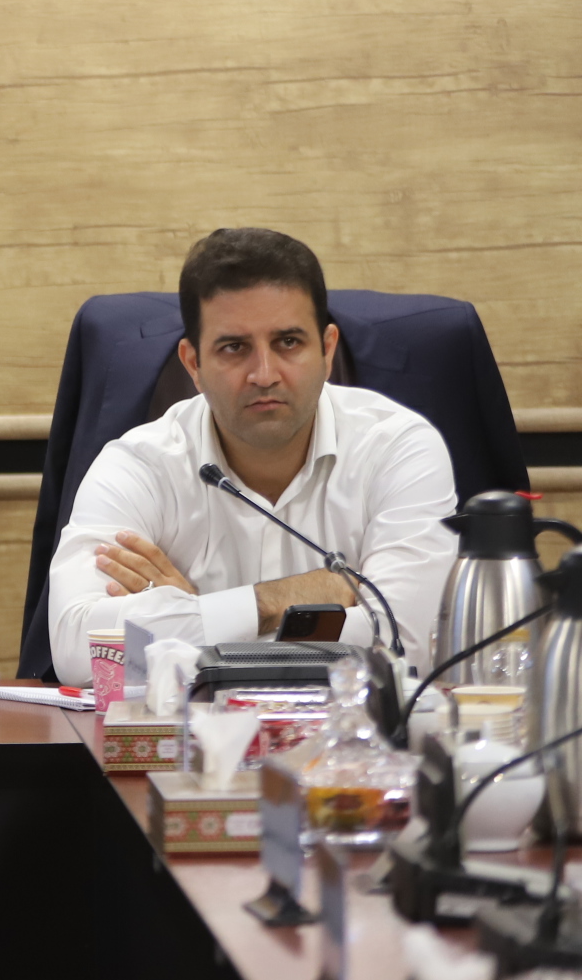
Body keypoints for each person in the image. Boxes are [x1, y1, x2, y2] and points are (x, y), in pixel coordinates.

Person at [43, 228, 456, 684]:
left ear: (327, 349)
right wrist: (270, 602)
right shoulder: (140, 465)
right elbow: (78, 650)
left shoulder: (397, 447)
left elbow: (405, 643)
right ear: (193, 364)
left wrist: (197, 616)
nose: (264, 374)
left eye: (288, 342)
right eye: (234, 348)